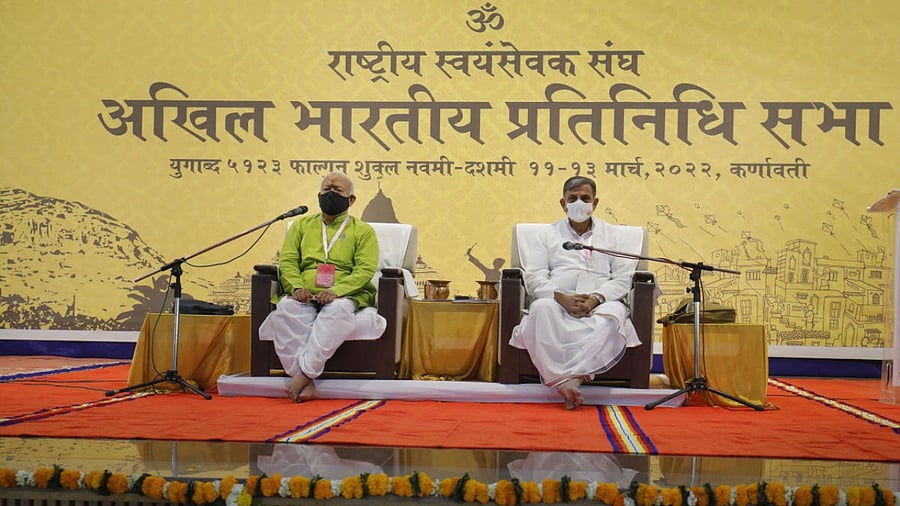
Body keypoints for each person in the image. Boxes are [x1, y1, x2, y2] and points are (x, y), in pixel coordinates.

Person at [510, 176, 641, 410]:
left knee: (613, 317)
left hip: (601, 300)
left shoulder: (614, 235)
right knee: (540, 309)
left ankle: (573, 379)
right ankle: (561, 378)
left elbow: (623, 277)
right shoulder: (546, 235)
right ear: (563, 203)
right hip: (558, 299)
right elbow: (534, 275)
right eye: (573, 199)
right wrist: (559, 296)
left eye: (585, 198)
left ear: (595, 202)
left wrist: (596, 298)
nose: (579, 203)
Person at [259, 172, 383, 402]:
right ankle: (308, 382)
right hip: (304, 294)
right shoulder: (300, 226)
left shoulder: (363, 231)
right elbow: (287, 261)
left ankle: (303, 375)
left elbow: (364, 270)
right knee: (285, 309)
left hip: (344, 294)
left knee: (337, 312)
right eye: (326, 190)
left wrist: (337, 291)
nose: (331, 195)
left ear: (351, 200)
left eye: (337, 191)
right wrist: (296, 287)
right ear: (318, 195)